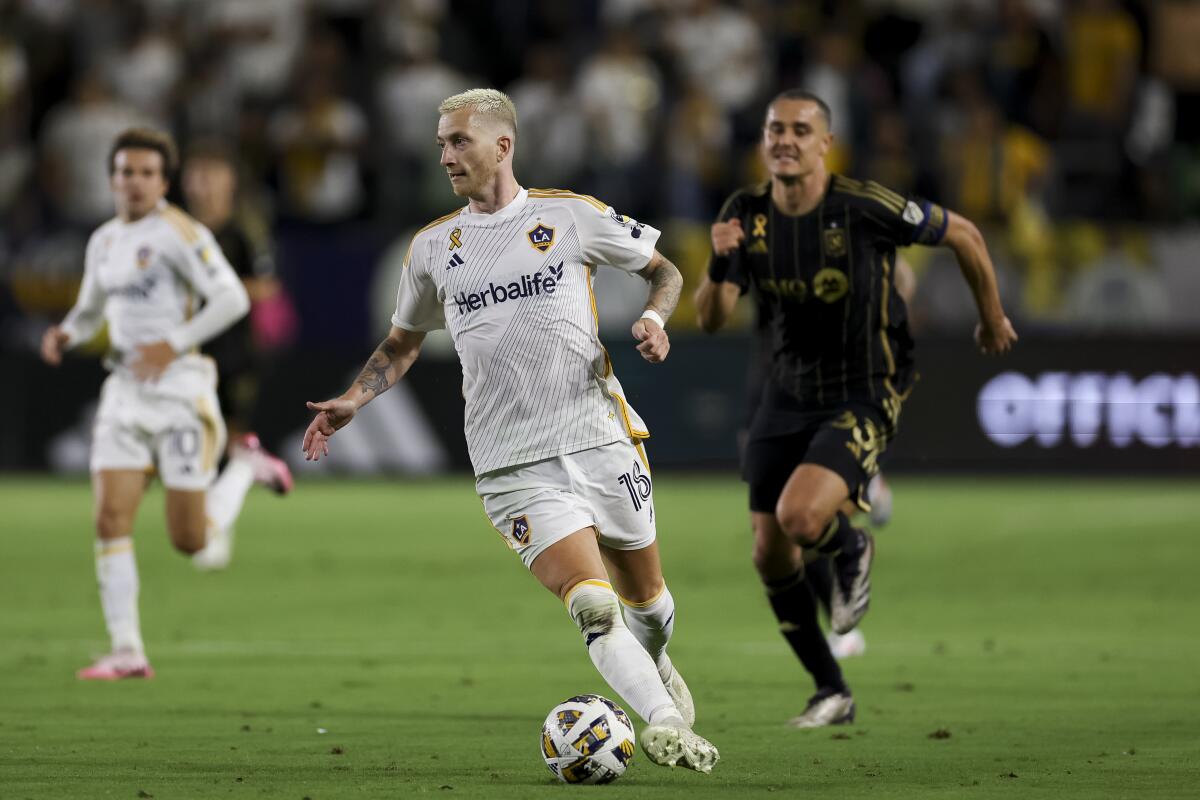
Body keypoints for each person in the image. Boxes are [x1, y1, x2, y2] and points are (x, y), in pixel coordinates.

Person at [302, 89, 719, 773]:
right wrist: (356, 396)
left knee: (649, 603)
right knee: (591, 606)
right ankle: (666, 721)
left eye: (459, 141)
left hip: (598, 436)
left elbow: (665, 270)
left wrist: (655, 318)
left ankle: (659, 659)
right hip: (509, 462)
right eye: (440, 143)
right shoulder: (434, 247)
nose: (445, 155)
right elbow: (403, 342)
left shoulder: (569, 216)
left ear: (503, 145)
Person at [695, 90, 1017, 728]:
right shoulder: (745, 212)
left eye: (800, 130)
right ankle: (831, 690)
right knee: (769, 553)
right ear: (763, 141)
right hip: (785, 394)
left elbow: (966, 234)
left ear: (824, 143)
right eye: (774, 129)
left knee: (800, 515)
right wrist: (718, 259)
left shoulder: (864, 206)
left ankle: (852, 548)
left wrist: (993, 317)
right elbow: (712, 317)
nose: (785, 140)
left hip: (866, 387)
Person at [40, 128, 292, 680]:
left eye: (147, 173)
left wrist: (172, 343)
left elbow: (229, 296)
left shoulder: (181, 232)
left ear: (163, 182)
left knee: (190, 540)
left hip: (180, 391)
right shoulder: (104, 240)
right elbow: (89, 308)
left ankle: (243, 470)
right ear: (112, 178)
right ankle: (128, 649)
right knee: (110, 518)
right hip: (125, 393)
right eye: (125, 172)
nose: (135, 182)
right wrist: (66, 333)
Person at [181, 141, 293, 572]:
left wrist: (220, 294)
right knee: (194, 445)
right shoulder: (178, 230)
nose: (203, 184)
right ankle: (243, 478)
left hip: (233, 353)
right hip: (186, 353)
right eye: (197, 173)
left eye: (212, 174)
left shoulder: (243, 230)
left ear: (228, 181)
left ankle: (216, 526)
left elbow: (267, 288)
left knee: (219, 441)